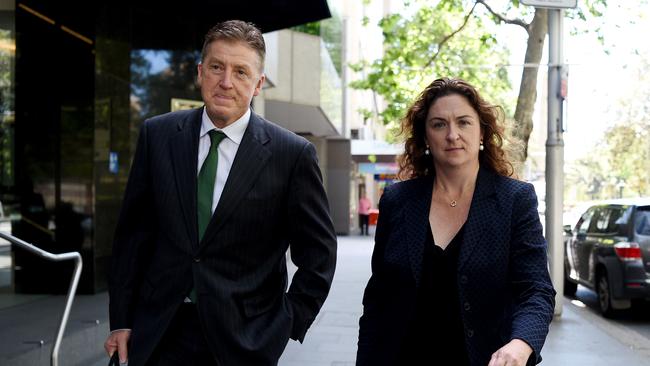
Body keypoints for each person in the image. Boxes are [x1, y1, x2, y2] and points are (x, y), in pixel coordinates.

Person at [104, 20, 337, 366]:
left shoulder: (292, 155)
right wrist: (121, 320)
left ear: (258, 84)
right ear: (200, 72)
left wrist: (285, 323)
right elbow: (132, 237)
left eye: (241, 72)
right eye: (216, 67)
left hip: (244, 340)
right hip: (159, 332)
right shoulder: (158, 135)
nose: (226, 82)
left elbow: (319, 254)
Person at [356, 77, 555, 366]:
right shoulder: (397, 200)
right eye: (439, 124)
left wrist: (521, 344)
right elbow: (377, 299)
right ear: (425, 137)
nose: (452, 135)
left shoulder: (515, 200)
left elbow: (537, 290)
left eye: (463, 122)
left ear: (483, 133)